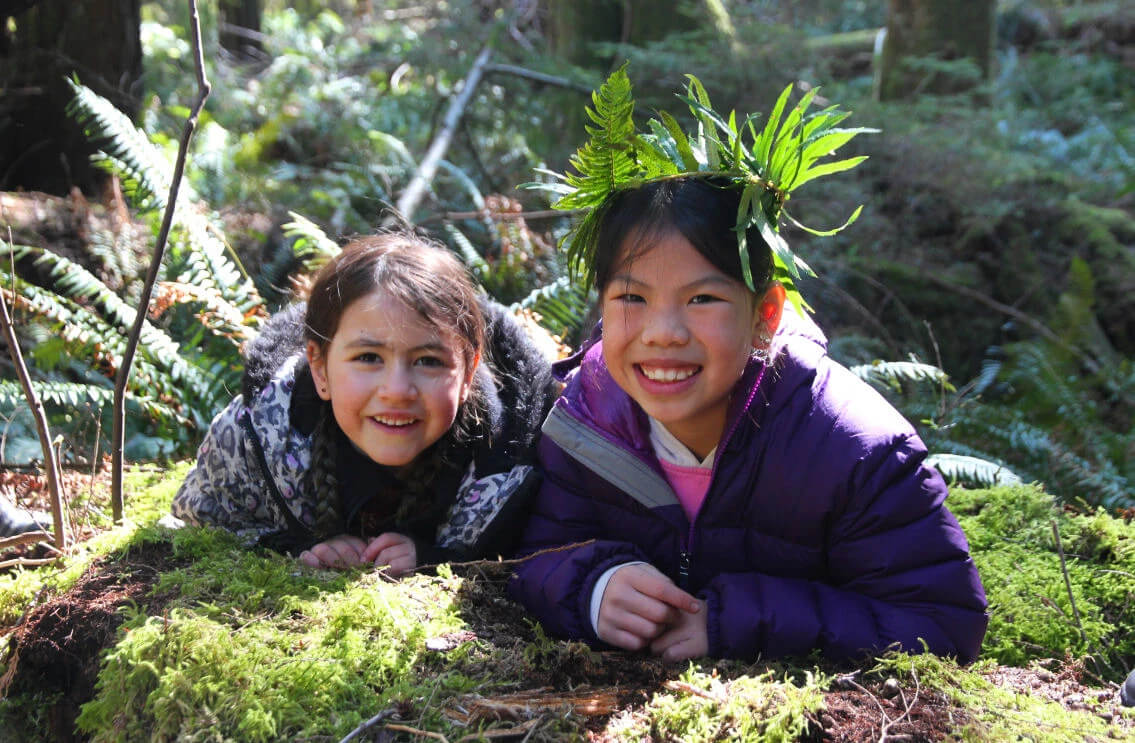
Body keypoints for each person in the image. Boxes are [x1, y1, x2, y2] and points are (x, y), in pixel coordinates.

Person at [507, 72, 988, 664]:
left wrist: (737, 622)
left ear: (765, 312)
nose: (663, 332)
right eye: (632, 298)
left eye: (702, 299)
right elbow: (532, 554)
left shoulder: (851, 451)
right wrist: (593, 586)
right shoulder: (584, 422)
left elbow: (942, 621)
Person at [172, 232, 558, 574]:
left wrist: (434, 561)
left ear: (468, 373)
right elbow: (194, 527)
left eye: (428, 361)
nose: (396, 391)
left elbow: (541, 564)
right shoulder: (257, 438)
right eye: (369, 358)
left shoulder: (512, 464)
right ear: (320, 368)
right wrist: (293, 548)